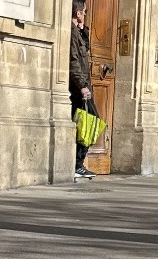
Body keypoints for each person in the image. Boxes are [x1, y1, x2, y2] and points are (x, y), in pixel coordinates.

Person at [69, 0, 95, 181]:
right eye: (84, 12)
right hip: (80, 86)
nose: (85, 15)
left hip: (82, 84)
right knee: (91, 121)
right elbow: (74, 61)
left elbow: (84, 50)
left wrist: (82, 29)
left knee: (85, 123)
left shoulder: (76, 31)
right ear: (78, 13)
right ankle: (77, 164)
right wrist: (83, 85)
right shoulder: (70, 33)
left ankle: (77, 163)